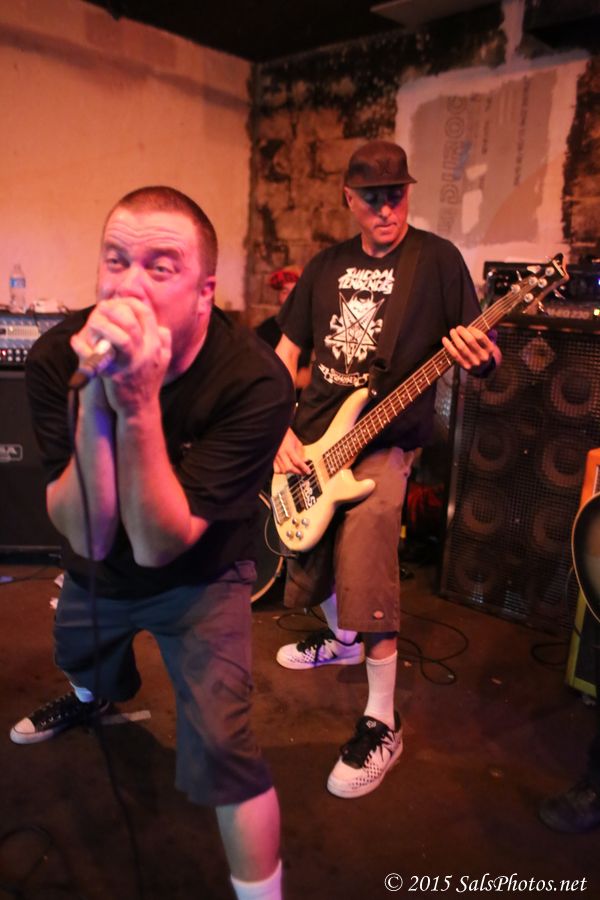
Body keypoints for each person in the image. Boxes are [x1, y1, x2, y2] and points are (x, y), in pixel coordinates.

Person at [10, 186, 295, 899]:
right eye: (116, 260)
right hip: (98, 567)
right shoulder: (58, 357)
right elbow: (87, 531)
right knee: (80, 658)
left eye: (160, 267)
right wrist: (95, 402)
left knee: (226, 748)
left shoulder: (254, 380)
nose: (128, 285)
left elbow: (160, 545)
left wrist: (135, 406)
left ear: (205, 293)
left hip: (201, 578)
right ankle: (92, 695)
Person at [272, 140, 502, 800]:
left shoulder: (437, 261)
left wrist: (483, 357)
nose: (386, 209)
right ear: (349, 198)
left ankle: (381, 722)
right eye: (372, 198)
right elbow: (284, 353)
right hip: (315, 436)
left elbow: (484, 352)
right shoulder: (325, 266)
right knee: (307, 546)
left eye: (396, 195)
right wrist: (279, 428)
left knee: (369, 546)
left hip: (384, 439)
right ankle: (343, 639)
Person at [255, 267, 311, 391]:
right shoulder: (265, 330)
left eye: (295, 291)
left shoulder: (317, 329)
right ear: (279, 296)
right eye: (285, 291)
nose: (289, 298)